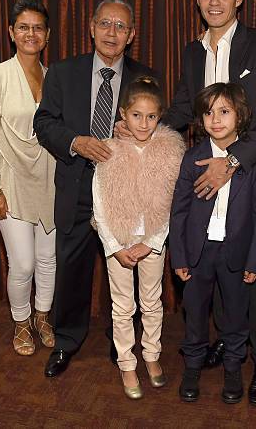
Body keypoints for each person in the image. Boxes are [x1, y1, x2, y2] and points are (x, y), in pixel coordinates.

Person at [117, 0, 256, 406]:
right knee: (213, 266)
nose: (214, 1)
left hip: (255, 172)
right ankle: (227, 346)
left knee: (255, 276)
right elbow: (182, 109)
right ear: (196, 0)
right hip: (205, 178)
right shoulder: (192, 51)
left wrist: (232, 161)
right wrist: (145, 128)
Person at [33, 0, 156, 378]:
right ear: (91, 27)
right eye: (105, 24)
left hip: (125, 193)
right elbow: (45, 122)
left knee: (125, 272)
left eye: (121, 27)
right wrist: (76, 142)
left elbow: (160, 130)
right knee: (72, 268)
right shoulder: (63, 73)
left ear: (131, 35)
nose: (112, 33)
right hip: (77, 186)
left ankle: (121, 339)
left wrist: (137, 136)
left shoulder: (144, 78)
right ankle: (67, 341)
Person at [170, 82, 256, 404]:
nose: (216, 119)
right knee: (196, 312)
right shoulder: (192, 158)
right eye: (209, 112)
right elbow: (179, 210)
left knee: (235, 316)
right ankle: (192, 366)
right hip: (198, 254)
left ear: (240, 116)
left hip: (237, 255)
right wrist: (180, 257)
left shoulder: (252, 161)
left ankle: (232, 368)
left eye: (224, 111)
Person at [92, 76, 185, 399]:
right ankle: (126, 362)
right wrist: (115, 246)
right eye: (136, 115)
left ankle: (151, 355)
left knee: (151, 301)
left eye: (151, 116)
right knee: (122, 306)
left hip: (153, 242)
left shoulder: (171, 152)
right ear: (123, 114)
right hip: (118, 241)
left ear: (160, 117)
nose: (143, 123)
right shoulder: (109, 151)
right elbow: (100, 204)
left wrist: (153, 242)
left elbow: (174, 204)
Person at [0, 0, 56, 356]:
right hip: (9, 181)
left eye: (38, 27)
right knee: (22, 263)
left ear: (47, 34)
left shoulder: (54, 78)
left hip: (51, 180)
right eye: (23, 27)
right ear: (11, 32)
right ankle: (21, 321)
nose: (30, 33)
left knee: (47, 260)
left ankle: (42, 317)